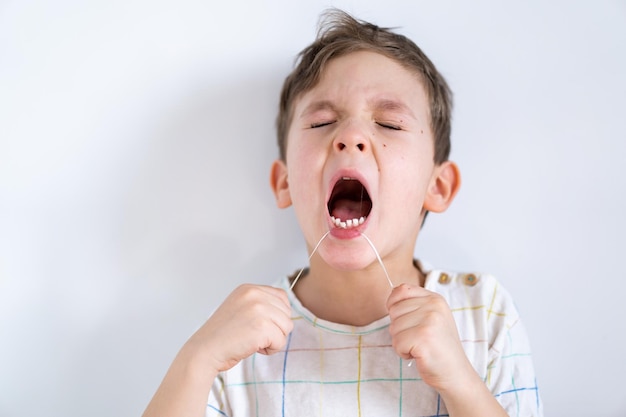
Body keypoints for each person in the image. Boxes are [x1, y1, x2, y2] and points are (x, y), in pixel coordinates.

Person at [142, 9, 543, 417]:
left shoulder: (483, 314)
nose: (350, 137)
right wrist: (196, 361)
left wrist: (460, 382)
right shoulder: (233, 336)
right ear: (285, 183)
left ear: (436, 187)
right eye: (322, 123)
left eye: (389, 123)